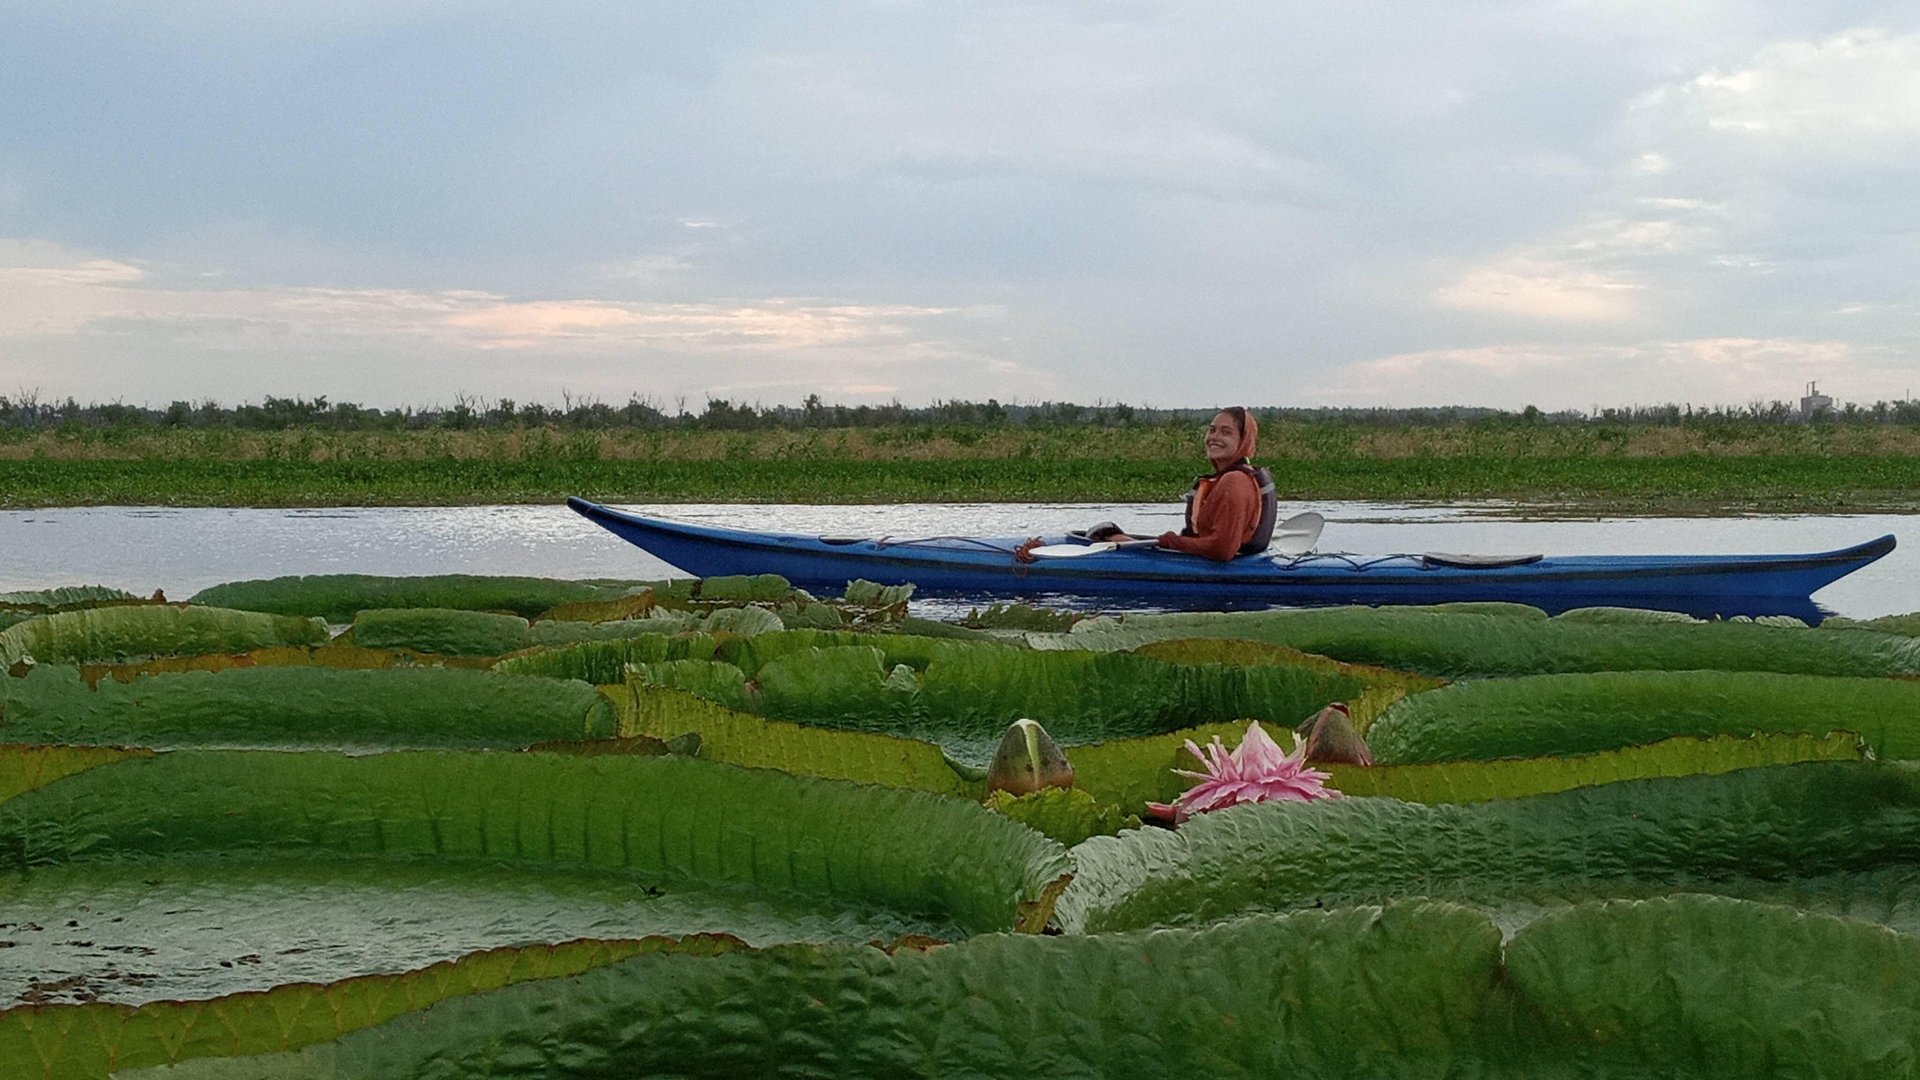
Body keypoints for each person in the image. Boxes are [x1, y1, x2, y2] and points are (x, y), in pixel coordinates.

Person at [1095, 407, 1277, 561]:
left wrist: (1170, 541)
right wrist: (1132, 541)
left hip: (1229, 573)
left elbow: (1223, 549)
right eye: (1212, 430)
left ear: (1243, 441)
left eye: (1226, 432)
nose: (1214, 437)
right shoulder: (1229, 478)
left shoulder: (1235, 481)